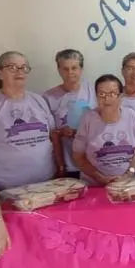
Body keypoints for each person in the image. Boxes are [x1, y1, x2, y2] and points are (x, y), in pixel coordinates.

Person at [0, 51, 60, 196]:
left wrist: (60, 168)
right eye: (12, 67)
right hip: (10, 189)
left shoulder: (39, 100)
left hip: (47, 183)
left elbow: (52, 137)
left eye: (24, 67)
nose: (19, 72)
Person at [72, 75, 135, 185]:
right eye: (102, 94)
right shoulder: (88, 118)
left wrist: (130, 173)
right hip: (95, 185)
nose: (107, 99)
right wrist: (100, 177)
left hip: (128, 184)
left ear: (121, 96)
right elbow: (78, 156)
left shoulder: (130, 115)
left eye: (112, 93)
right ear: (96, 97)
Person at [43, 49, 96, 179]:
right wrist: (62, 132)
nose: (70, 72)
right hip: (67, 163)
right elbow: (48, 133)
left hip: (93, 162)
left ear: (81, 69)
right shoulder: (48, 97)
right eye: (65, 69)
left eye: (74, 68)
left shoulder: (95, 91)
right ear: (59, 70)